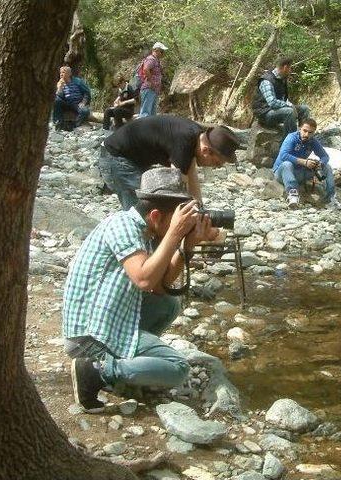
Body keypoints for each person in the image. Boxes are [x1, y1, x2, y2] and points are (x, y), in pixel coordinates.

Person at [63, 167, 218, 412]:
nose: (181, 225)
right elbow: (144, 280)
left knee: (168, 306)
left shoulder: (147, 230)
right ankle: (96, 372)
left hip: (108, 321)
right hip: (88, 335)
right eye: (176, 220)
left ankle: (128, 367)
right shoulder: (122, 226)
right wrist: (174, 234)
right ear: (155, 216)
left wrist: (187, 246)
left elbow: (160, 288)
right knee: (178, 368)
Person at [99, 114, 240, 210]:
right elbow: (177, 192)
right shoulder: (184, 141)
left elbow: (191, 176)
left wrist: (200, 208)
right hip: (116, 159)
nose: (216, 167)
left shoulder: (195, 135)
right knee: (144, 212)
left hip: (131, 160)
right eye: (217, 163)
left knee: (156, 210)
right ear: (206, 151)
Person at [273, 118, 341, 210]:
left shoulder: (313, 141)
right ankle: (293, 196)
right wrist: (304, 162)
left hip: (300, 171)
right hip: (282, 172)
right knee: (287, 164)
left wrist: (320, 163)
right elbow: (283, 155)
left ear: (314, 132)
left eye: (310, 132)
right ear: (299, 128)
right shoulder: (291, 138)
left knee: (327, 166)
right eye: (304, 131)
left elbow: (325, 156)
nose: (306, 134)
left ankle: (330, 199)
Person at [251, 57, 310, 137]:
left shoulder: (281, 78)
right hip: (264, 114)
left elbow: (283, 99)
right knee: (289, 112)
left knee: (304, 109)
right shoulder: (267, 80)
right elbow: (272, 102)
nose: (291, 71)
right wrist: (290, 106)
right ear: (285, 67)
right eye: (290, 68)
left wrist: (290, 104)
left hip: (275, 110)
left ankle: (303, 136)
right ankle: (290, 142)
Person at [53, 65, 91, 130]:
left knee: (85, 111)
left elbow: (87, 93)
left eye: (63, 72)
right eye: (60, 73)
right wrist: (59, 88)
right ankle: (58, 122)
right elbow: (59, 98)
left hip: (77, 103)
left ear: (69, 74)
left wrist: (83, 102)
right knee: (56, 100)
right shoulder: (60, 83)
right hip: (67, 103)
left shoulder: (78, 81)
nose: (61, 74)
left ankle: (74, 125)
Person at [138, 42, 167, 117]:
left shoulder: (156, 60)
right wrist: (151, 83)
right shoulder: (151, 59)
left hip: (153, 90)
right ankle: (143, 128)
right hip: (149, 89)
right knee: (145, 113)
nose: (162, 54)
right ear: (156, 50)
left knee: (152, 114)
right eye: (161, 51)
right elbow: (146, 69)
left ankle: (150, 128)